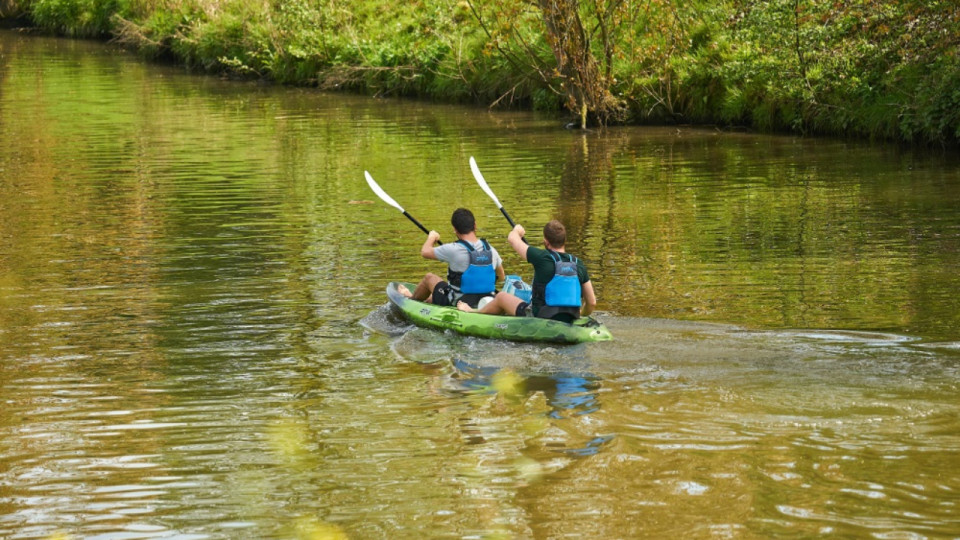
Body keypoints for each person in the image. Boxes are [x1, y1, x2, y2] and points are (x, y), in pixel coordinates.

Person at [458, 220, 596, 322]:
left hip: (542, 316)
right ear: (564, 240)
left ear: (545, 242)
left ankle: (473, 311)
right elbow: (591, 302)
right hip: (572, 315)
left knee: (501, 297)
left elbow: (512, 239)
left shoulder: (541, 257)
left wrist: (517, 230)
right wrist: (581, 314)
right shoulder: (579, 264)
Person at [397, 208, 506, 308]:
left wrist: (431, 237)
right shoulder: (491, 250)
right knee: (442, 290)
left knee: (429, 278)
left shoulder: (452, 249)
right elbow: (501, 277)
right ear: (475, 225)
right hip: (487, 300)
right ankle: (429, 300)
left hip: (459, 302)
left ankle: (410, 300)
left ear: (455, 229)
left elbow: (425, 252)